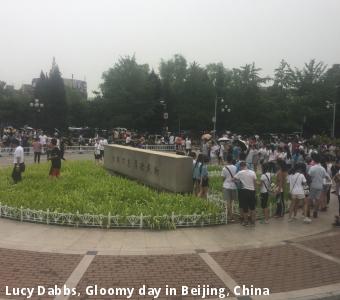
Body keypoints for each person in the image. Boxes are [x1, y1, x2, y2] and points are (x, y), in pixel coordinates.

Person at [307, 154, 331, 220]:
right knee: (317, 199)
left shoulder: (312, 168)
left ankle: (308, 212)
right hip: (320, 186)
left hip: (313, 185)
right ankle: (315, 212)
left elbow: (309, 176)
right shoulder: (322, 168)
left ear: (314, 161)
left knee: (310, 199)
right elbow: (327, 177)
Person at [234, 161, 257, 226]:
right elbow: (254, 182)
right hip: (252, 191)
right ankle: (253, 222)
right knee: (252, 208)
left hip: (244, 191)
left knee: (245, 208)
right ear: (246, 166)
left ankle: (246, 222)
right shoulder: (253, 172)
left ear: (241, 166)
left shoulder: (240, 172)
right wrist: (255, 191)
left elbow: (233, 179)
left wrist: (239, 181)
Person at [221, 155, 237, 222]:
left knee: (228, 202)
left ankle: (231, 216)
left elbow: (223, 178)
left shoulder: (224, 168)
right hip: (234, 186)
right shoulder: (235, 167)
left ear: (226, 160)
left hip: (226, 186)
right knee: (232, 201)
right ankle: (230, 214)